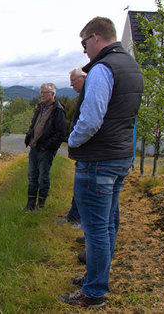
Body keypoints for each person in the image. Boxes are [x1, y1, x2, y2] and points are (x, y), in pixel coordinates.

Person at [59, 17, 143, 308]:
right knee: (107, 225)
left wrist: (73, 141)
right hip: (119, 157)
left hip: (98, 161)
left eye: (84, 43)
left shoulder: (102, 69)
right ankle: (95, 277)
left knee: (95, 229)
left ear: (95, 37)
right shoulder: (131, 66)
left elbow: (91, 118)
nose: (83, 51)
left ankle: (93, 292)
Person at [22, 83, 66, 211]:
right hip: (34, 148)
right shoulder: (40, 108)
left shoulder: (58, 110)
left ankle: (40, 205)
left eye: (45, 92)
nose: (42, 95)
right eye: (41, 92)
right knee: (32, 176)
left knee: (43, 177)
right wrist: (29, 136)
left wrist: (46, 146)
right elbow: (34, 125)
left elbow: (60, 134)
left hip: (45, 150)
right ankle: (30, 204)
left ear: (53, 94)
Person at [59, 67, 88, 226]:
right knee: (79, 188)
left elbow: (89, 124)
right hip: (83, 153)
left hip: (90, 152)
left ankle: (81, 220)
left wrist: (73, 140)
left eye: (73, 81)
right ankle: (74, 215)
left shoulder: (91, 95)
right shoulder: (84, 96)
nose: (71, 85)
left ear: (82, 78)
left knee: (85, 190)